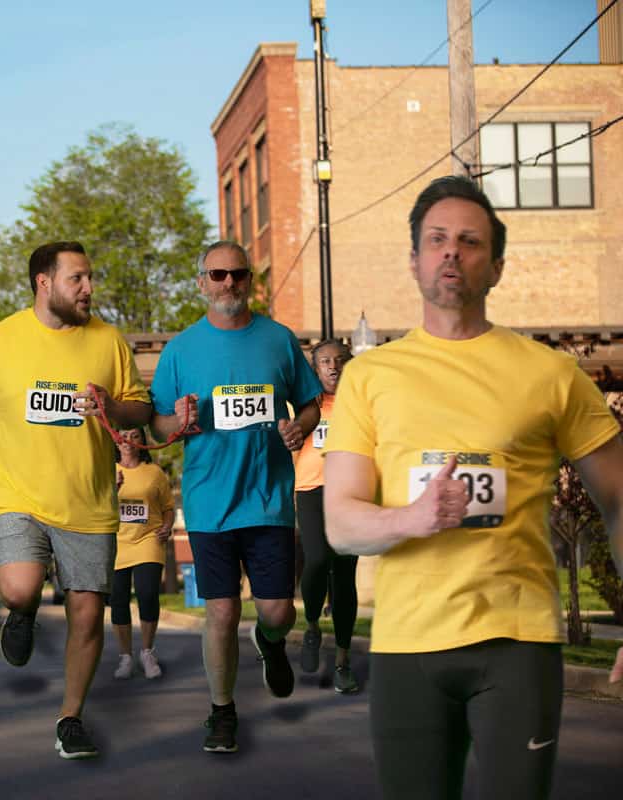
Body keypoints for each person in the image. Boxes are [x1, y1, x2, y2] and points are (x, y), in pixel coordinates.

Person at [323, 175, 623, 800]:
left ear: (498, 267)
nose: (451, 252)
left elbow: (619, 500)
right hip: (408, 643)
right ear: (413, 261)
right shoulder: (371, 376)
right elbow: (341, 524)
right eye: (436, 240)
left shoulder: (551, 373)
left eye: (469, 241)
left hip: (517, 642)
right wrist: (413, 517)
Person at [0, 241, 152, 759]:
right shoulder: (0, 339)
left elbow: (141, 410)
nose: (89, 288)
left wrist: (112, 407)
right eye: (77, 278)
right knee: (16, 586)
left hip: (89, 504)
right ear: (44, 282)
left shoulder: (108, 341)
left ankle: (70, 718)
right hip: (20, 496)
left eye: (89, 278)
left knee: (86, 617)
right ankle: (21, 611)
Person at [150, 240, 322, 754]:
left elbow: (310, 404)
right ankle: (222, 712)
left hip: (268, 499)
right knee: (220, 612)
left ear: (250, 280)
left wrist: (300, 428)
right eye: (218, 275)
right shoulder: (181, 349)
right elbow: (158, 422)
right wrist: (174, 423)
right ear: (201, 282)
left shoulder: (278, 340)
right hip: (208, 503)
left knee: (277, 613)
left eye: (238, 275)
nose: (229, 284)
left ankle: (270, 644)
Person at [294, 339, 360, 694]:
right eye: (324, 362)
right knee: (318, 560)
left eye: (339, 360)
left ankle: (343, 662)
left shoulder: (360, 405)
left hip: (350, 493)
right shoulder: (305, 406)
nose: (333, 366)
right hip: (311, 490)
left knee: (345, 574)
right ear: (315, 368)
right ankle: (312, 627)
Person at [110, 427, 175, 680]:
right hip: (116, 542)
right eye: (123, 435)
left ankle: (147, 652)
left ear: (142, 442)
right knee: (118, 598)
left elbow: (168, 508)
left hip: (148, 539)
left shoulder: (154, 473)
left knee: (148, 593)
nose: (128, 440)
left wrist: (168, 526)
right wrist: (111, 490)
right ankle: (125, 656)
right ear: (116, 440)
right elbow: (94, 506)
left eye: (134, 436)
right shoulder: (108, 471)